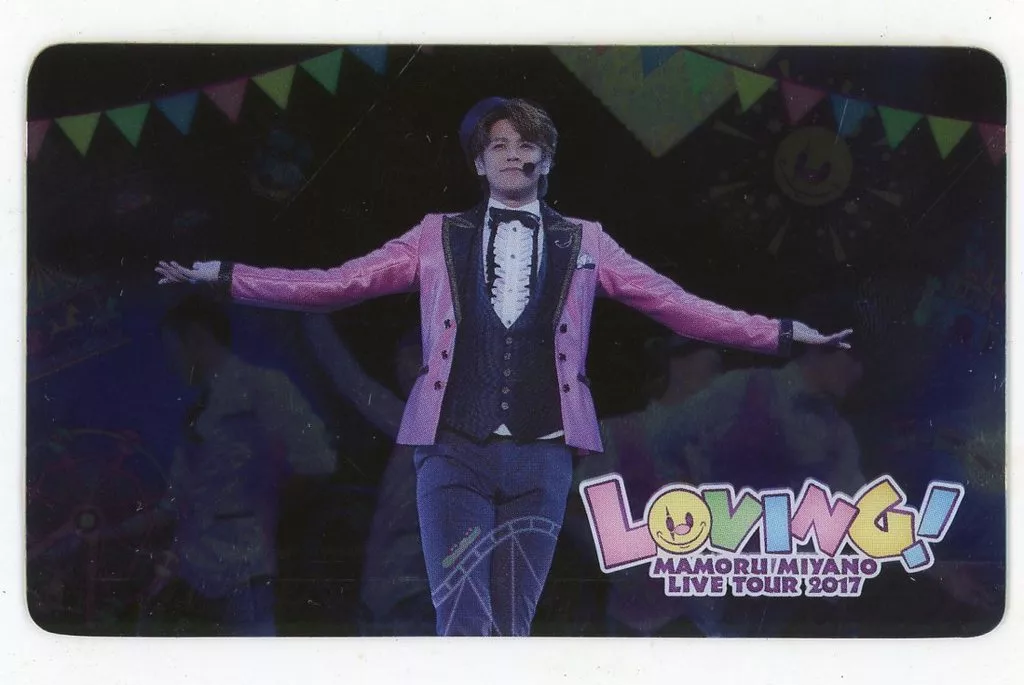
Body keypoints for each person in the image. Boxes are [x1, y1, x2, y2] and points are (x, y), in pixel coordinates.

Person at [156, 97, 851, 636]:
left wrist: (782, 332)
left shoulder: (588, 242)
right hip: (453, 450)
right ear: (479, 162)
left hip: (542, 456)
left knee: (512, 625)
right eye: (500, 145)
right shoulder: (434, 236)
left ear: (546, 160)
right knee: (462, 619)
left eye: (527, 145)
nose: (514, 155)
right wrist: (228, 276)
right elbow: (338, 283)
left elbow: (679, 306)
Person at [95, 296, 337, 636]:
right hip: (192, 574)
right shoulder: (197, 414)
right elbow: (174, 504)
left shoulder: (264, 387)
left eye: (173, 350)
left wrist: (263, 513)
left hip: (245, 573)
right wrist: (107, 534)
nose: (172, 363)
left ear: (197, 338)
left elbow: (318, 463)